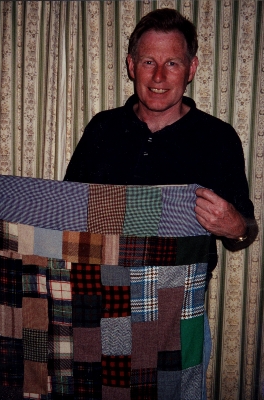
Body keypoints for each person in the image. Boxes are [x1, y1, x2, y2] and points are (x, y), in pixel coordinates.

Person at [64, 8, 258, 398]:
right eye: (149, 62)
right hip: (97, 302)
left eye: (172, 63)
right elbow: (66, 212)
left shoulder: (218, 138)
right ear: (131, 65)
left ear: (191, 69)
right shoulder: (102, 128)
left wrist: (234, 226)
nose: (158, 77)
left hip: (176, 310)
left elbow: (245, 232)